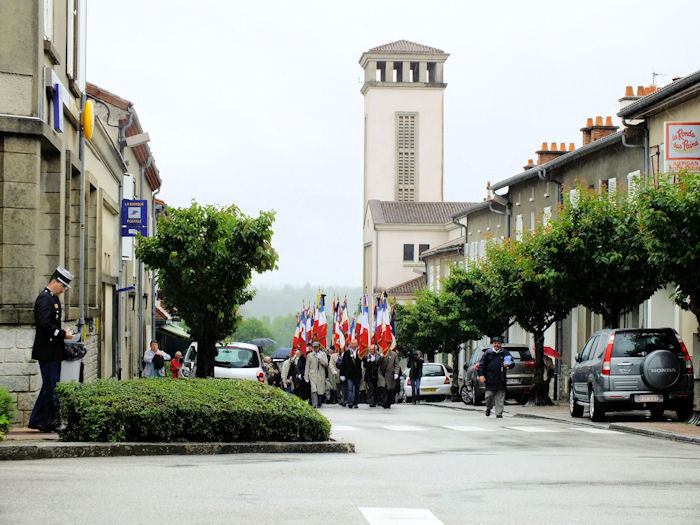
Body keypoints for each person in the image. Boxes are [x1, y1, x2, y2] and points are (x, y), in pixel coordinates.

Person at [28, 266, 75, 433]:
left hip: (53, 350)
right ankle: (50, 421)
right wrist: (63, 334)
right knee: (51, 387)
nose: (63, 291)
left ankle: (37, 419)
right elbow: (44, 324)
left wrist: (63, 334)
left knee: (49, 385)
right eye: (63, 287)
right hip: (47, 350)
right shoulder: (44, 299)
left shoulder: (53, 299)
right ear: (55, 282)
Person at [478, 336, 514, 418]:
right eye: (495, 343)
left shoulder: (505, 353)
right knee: (489, 396)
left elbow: (512, 363)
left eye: (498, 343)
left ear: (501, 344)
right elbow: (481, 365)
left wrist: (509, 365)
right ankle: (488, 407)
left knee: (500, 397)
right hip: (490, 379)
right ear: (492, 344)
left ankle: (499, 413)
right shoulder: (487, 353)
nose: (497, 345)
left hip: (501, 378)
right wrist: (481, 375)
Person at [304, 342, 328, 408]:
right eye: (314, 347)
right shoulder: (309, 355)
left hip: (321, 374)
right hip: (312, 375)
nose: (315, 348)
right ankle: (315, 404)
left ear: (319, 347)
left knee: (320, 390)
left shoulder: (323, 354)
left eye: (316, 347)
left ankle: (319, 403)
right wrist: (306, 376)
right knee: (313, 389)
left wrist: (320, 358)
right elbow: (307, 366)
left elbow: (326, 364)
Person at [340, 339, 362, 408]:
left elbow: (363, 361)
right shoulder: (347, 353)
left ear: (357, 344)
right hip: (349, 375)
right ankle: (350, 402)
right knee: (350, 389)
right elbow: (343, 364)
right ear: (350, 344)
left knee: (357, 390)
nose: (354, 345)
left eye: (355, 343)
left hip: (357, 374)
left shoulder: (360, 352)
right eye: (352, 344)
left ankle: (356, 403)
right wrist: (342, 374)